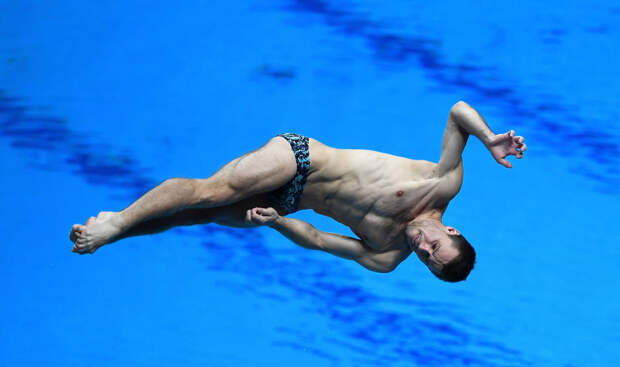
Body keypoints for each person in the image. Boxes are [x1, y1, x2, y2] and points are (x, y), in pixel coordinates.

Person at [70, 101, 526, 282]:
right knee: (212, 193)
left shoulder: (387, 255)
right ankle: (117, 223)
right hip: (303, 158)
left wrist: (278, 222)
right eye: (436, 245)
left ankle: (115, 225)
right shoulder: (443, 183)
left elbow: (320, 240)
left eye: (427, 259)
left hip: (289, 201)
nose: (423, 248)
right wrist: (488, 140)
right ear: (452, 229)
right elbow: (458, 112)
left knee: (198, 217)